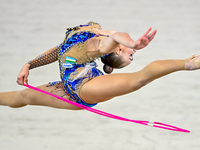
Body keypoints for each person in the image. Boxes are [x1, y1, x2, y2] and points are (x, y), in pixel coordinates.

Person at [0, 21, 200, 110]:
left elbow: (117, 36)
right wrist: (29, 64)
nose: (134, 52)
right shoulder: (94, 34)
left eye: (132, 54)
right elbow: (61, 50)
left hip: (83, 89)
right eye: (133, 53)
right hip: (68, 87)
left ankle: (188, 63)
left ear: (119, 50)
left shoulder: (102, 44)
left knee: (140, 79)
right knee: (23, 96)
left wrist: (132, 43)